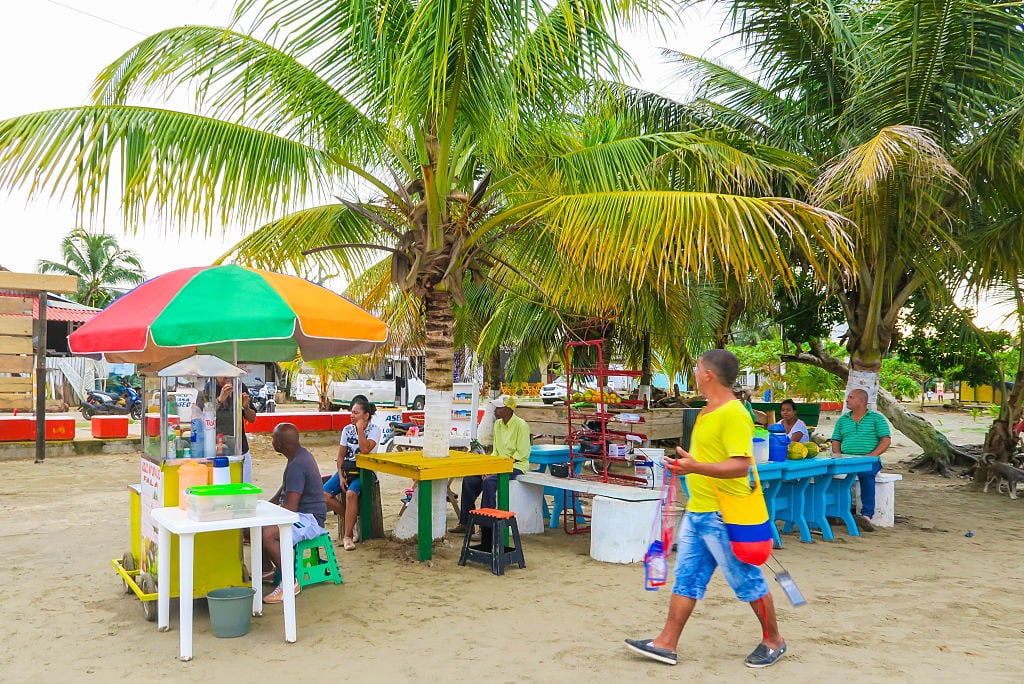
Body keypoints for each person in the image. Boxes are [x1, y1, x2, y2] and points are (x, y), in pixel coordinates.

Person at [626, 349, 786, 669]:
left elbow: (740, 465)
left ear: (708, 375)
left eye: (697, 369)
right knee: (686, 580)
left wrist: (695, 466)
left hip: (723, 515)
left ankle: (773, 641)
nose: (695, 373)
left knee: (746, 581)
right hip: (699, 511)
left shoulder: (734, 413)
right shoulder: (707, 411)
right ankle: (666, 643)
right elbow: (708, 459)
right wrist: (688, 465)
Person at [262, 423, 328, 603]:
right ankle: (267, 571)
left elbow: (290, 509)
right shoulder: (299, 456)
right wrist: (266, 507)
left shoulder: (297, 465)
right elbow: (285, 490)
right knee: (258, 526)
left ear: (280, 445)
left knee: (268, 535)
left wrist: (268, 515)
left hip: (310, 518)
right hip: (303, 514)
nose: (272, 440)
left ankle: (290, 582)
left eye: (274, 438)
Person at [448, 395, 531, 535]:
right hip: (498, 465)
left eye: (499, 408)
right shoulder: (498, 424)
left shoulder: (521, 425)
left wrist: (495, 468)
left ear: (508, 409)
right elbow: (496, 451)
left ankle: (486, 528)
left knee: (488, 482)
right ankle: (465, 522)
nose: (495, 410)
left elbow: (521, 454)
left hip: (516, 466)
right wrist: (488, 467)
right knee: (469, 480)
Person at [323, 397, 381, 551]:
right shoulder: (347, 430)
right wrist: (341, 476)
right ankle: (353, 520)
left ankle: (348, 536)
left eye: (356, 413)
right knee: (324, 495)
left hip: (365, 471)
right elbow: (341, 456)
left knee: (350, 494)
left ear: (366, 416)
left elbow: (365, 450)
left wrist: (360, 430)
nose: (352, 415)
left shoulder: (374, 430)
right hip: (347, 469)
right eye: (351, 412)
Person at [830, 388, 891, 532]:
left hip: (869, 459)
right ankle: (836, 511)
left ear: (862, 401)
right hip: (846, 459)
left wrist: (871, 456)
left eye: (851, 397)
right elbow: (836, 440)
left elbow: (886, 441)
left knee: (866, 474)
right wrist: (838, 455)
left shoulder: (876, 418)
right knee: (829, 476)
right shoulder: (842, 420)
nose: (847, 400)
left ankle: (867, 515)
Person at [215, 376, 257, 483]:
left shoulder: (240, 387)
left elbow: (252, 419)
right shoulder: (208, 388)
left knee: (243, 488)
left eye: (229, 375)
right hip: (216, 450)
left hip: (240, 449)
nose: (226, 378)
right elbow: (202, 417)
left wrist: (246, 407)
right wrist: (220, 400)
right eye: (223, 376)